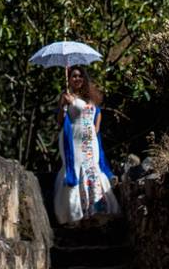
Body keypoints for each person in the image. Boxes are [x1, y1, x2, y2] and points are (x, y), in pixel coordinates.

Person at [53, 65, 120, 224]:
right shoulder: (66, 96)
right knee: (77, 167)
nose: (77, 79)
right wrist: (64, 106)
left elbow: (98, 114)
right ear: (69, 79)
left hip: (90, 141)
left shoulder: (89, 97)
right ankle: (76, 212)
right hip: (73, 139)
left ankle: (95, 210)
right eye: (74, 76)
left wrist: (94, 130)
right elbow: (60, 122)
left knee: (92, 168)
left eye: (80, 76)